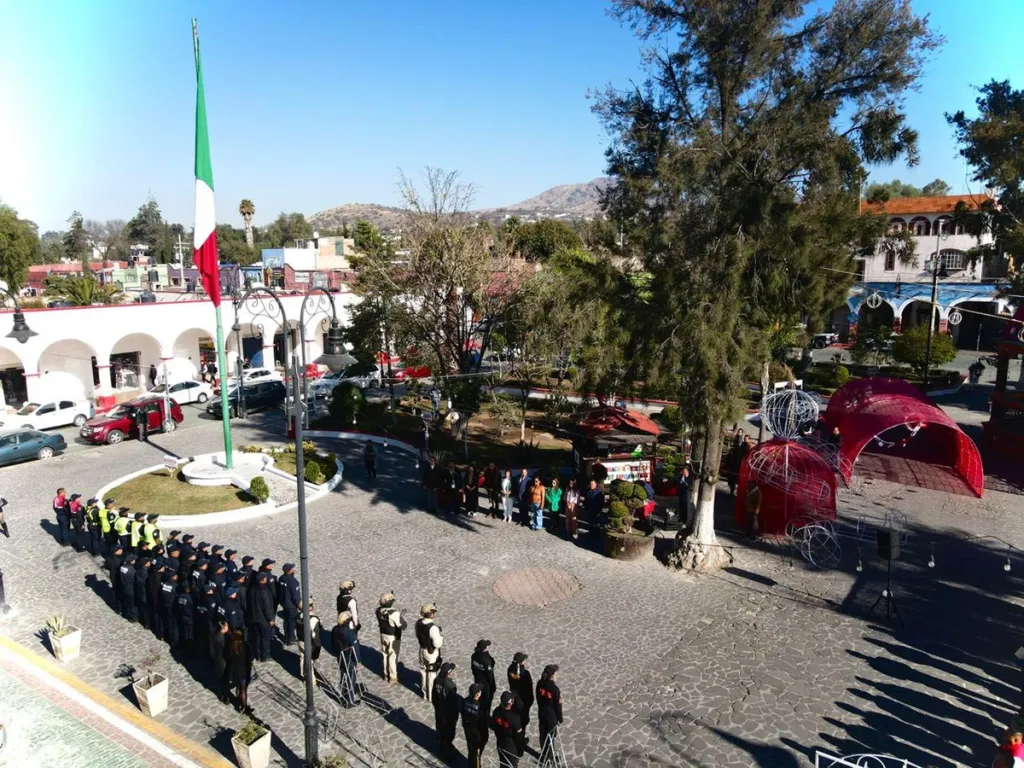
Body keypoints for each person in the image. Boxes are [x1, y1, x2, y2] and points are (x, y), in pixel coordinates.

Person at [376, 592, 407, 684]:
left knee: (385, 655)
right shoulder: (394, 613)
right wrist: (400, 616)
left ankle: (386, 674)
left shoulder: (378, 610)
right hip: (393, 637)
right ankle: (393, 676)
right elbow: (403, 625)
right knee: (392, 656)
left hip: (383, 635)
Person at [416, 603, 444, 701]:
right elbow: (437, 644)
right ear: (431, 614)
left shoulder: (418, 623)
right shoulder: (433, 628)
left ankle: (424, 693)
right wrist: (441, 636)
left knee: (423, 672)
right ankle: (431, 696)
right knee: (431, 674)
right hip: (431, 653)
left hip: (422, 650)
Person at [432, 662, 460, 759]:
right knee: (449, 733)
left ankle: (442, 746)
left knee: (441, 729)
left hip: (439, 710)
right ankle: (446, 753)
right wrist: (455, 717)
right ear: (448, 673)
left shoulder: (437, 680)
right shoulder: (450, 686)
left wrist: (437, 707)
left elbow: (433, 696)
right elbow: (453, 704)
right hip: (448, 714)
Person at [492, 691, 526, 768]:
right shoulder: (514, 719)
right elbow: (519, 738)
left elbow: (495, 727)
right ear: (510, 703)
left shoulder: (496, 712)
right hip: (511, 748)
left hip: (501, 743)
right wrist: (520, 751)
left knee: (503, 765)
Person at [536, 664, 564, 758]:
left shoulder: (540, 683)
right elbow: (558, 706)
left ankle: (544, 755)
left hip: (542, 712)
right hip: (551, 716)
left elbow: (538, 697)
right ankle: (550, 758)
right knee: (550, 737)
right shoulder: (554, 689)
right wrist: (560, 718)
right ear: (552, 675)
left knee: (543, 735)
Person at [332, 609, 360, 701]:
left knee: (343, 675)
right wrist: (357, 661)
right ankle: (350, 700)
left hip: (340, 656)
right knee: (351, 678)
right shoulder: (349, 633)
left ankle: (343, 695)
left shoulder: (335, 629)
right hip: (349, 658)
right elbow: (355, 648)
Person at [225, 628, 254, 715]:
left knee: (238, 686)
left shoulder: (231, 646)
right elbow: (250, 657)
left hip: (235, 671)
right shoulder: (245, 645)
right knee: (243, 690)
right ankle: (244, 707)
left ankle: (239, 701)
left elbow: (228, 658)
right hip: (244, 670)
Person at [463, 682, 490, 768]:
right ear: (477, 694)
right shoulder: (480, 707)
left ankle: (471, 763)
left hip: (468, 730)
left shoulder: (465, 701)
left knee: (471, 749)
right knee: (477, 752)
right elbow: (485, 722)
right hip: (478, 733)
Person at [251, 571, 276, 662]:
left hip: (255, 617)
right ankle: (265, 655)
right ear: (263, 580)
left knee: (257, 637)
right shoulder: (264, 591)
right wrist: (270, 619)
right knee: (265, 637)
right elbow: (267, 607)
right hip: (263, 619)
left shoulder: (253, 589)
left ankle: (258, 655)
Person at [507, 652, 534, 739]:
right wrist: (530, 700)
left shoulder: (510, 669)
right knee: (523, 720)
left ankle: (515, 734)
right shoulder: (525, 673)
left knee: (516, 717)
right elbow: (529, 688)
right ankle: (520, 738)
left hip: (515, 697)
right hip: (523, 700)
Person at [298, 599, 323, 688]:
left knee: (302, 658)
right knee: (310, 661)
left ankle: (303, 675)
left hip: (301, 641)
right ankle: (310, 680)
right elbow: (315, 636)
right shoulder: (313, 619)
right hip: (309, 643)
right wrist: (318, 647)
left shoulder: (299, 616)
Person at [471, 639, 497, 713]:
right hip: (486, 684)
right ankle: (485, 715)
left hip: (478, 680)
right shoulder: (486, 660)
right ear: (484, 649)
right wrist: (492, 686)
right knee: (487, 701)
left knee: (480, 698)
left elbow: (473, 668)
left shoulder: (474, 656)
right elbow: (489, 675)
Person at [279, 563, 301, 646]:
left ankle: (287, 637)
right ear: (289, 571)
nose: (293, 569)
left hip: (284, 603)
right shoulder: (293, 582)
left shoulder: (282, 578)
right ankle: (291, 638)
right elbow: (295, 596)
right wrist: (299, 605)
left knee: (286, 621)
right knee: (292, 622)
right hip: (291, 605)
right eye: (292, 568)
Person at [211, 620, 230, 705]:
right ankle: (225, 696)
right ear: (223, 627)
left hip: (217, 661)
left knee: (222, 680)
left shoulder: (216, 635)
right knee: (225, 681)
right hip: (222, 663)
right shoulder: (222, 639)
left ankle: (223, 694)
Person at [160, 571, 181, 646]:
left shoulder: (165, 585)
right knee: (174, 625)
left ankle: (169, 637)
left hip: (166, 606)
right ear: (173, 577)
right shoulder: (175, 586)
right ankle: (175, 642)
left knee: (169, 623)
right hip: (173, 607)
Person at [176, 582, 196, 646]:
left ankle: (185, 645)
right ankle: (189, 647)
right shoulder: (190, 598)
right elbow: (192, 608)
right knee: (190, 634)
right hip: (190, 617)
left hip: (183, 616)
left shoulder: (180, 596)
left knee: (185, 631)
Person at [118, 554, 137, 622]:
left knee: (126, 602)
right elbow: (134, 580)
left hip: (124, 587)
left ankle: (125, 614)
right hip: (130, 588)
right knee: (132, 604)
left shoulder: (122, 567)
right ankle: (132, 617)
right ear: (131, 561)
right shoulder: (132, 570)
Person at [134, 557, 152, 629]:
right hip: (145, 594)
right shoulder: (145, 573)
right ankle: (147, 624)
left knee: (142, 608)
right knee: (146, 610)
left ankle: (142, 620)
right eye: (148, 562)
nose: (150, 563)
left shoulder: (138, 571)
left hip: (140, 592)